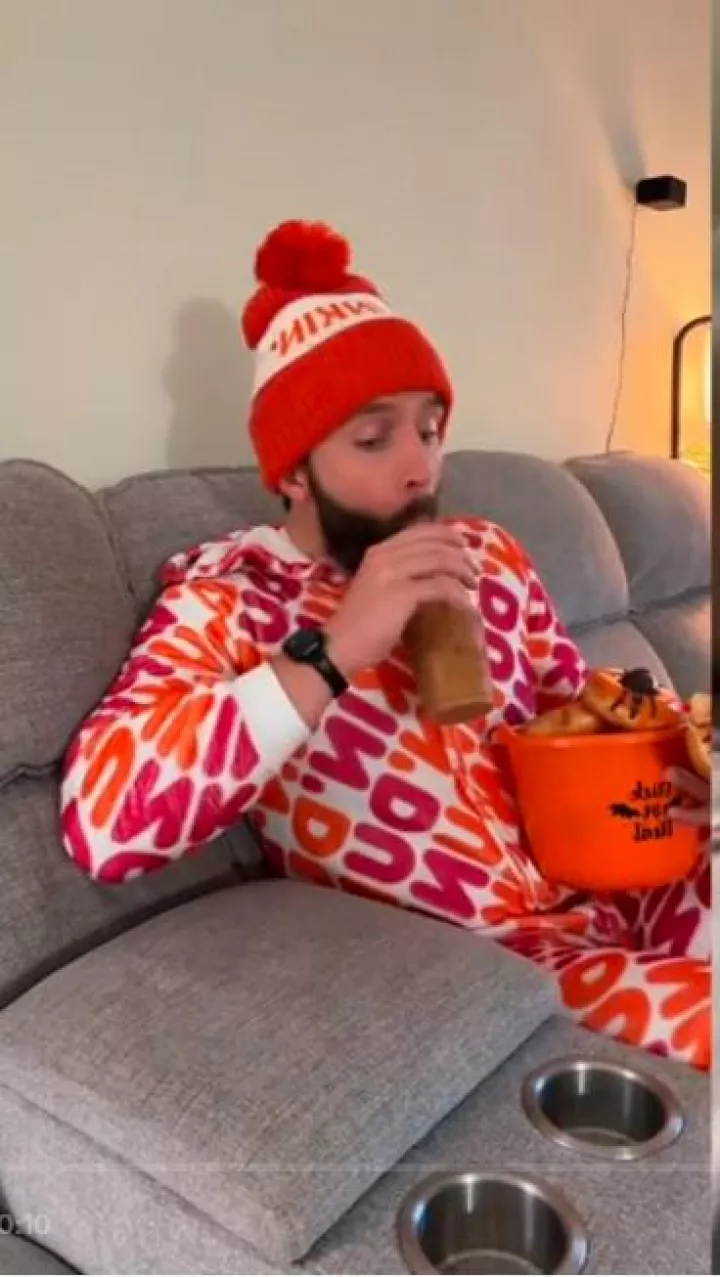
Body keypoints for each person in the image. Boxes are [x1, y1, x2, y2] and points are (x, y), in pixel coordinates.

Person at [58, 219, 710, 1070]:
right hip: (503, 956)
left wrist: (674, 764)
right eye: (374, 438)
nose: (421, 469)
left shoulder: (488, 554)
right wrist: (332, 650)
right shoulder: (228, 599)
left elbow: (573, 703)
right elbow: (104, 825)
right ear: (294, 471)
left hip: (621, 873)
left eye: (430, 430)